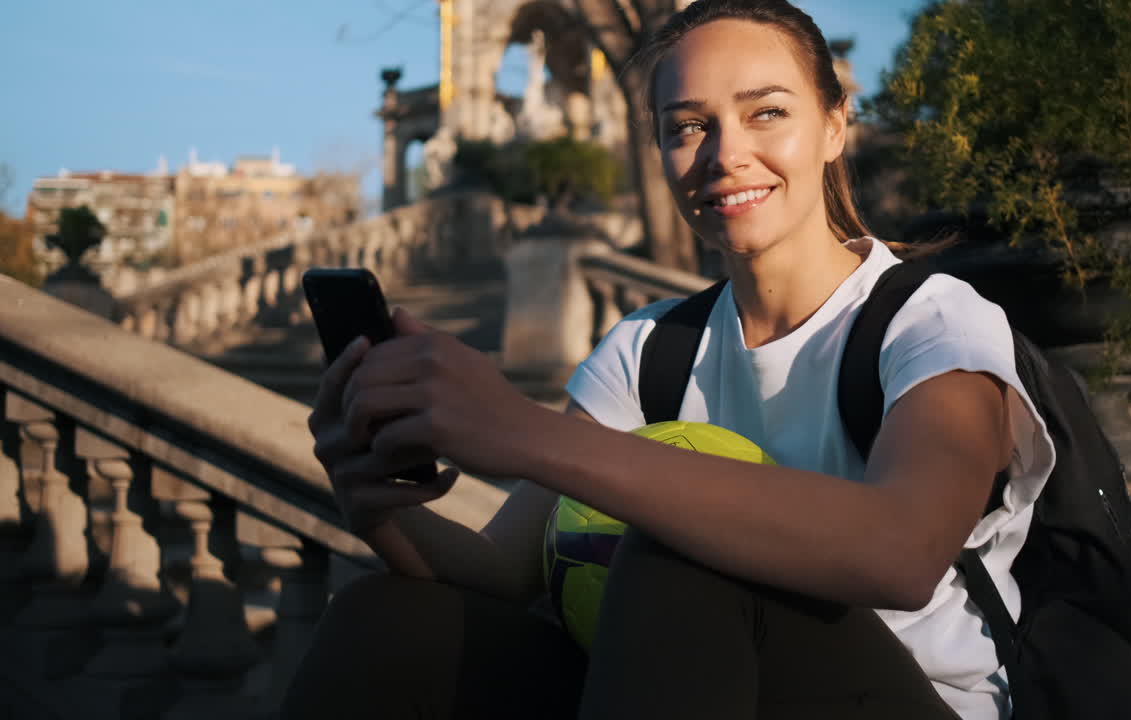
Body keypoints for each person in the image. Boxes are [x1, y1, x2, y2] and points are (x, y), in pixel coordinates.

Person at [282, 0, 1055, 718]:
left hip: (905, 700)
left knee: (683, 556)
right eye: (687, 126)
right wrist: (376, 508)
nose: (725, 154)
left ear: (833, 125)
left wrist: (520, 430)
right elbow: (503, 574)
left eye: (768, 113)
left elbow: (903, 550)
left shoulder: (932, 320)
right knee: (384, 619)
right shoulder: (648, 349)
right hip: (692, 682)